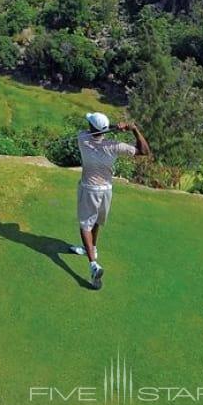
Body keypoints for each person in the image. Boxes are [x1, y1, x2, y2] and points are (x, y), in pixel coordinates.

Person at [70, 112, 151, 289]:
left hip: (89, 189)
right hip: (106, 190)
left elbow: (93, 131)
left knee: (85, 225)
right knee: (97, 221)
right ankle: (91, 248)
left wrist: (112, 127)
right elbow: (144, 151)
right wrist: (133, 129)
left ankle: (93, 265)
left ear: (91, 128)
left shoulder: (83, 138)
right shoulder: (114, 146)